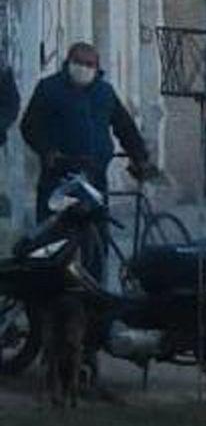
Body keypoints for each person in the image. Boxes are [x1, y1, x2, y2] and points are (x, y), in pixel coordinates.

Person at [21, 43, 152, 276]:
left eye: (89, 64)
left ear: (97, 67)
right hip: (58, 177)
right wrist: (47, 150)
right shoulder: (49, 89)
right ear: (68, 62)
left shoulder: (105, 92)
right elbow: (30, 126)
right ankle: (50, 295)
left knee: (96, 241)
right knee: (53, 240)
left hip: (94, 177)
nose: (83, 68)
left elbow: (124, 127)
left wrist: (139, 157)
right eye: (78, 62)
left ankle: (94, 298)